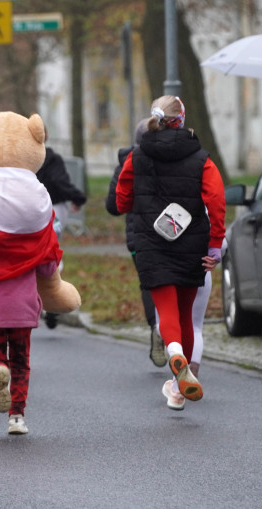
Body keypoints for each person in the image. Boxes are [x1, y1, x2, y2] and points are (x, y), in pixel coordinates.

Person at [114, 95, 226, 411]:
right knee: (187, 314)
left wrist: (136, 204)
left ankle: (173, 352)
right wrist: (215, 244)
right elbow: (216, 201)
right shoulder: (201, 158)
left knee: (166, 311)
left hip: (152, 241)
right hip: (192, 243)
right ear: (182, 119)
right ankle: (178, 389)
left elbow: (122, 199)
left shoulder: (136, 156)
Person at [106, 119, 167, 366]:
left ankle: (156, 326)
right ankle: (168, 329)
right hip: (169, 231)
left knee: (148, 284)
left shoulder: (126, 162)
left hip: (138, 235)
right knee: (169, 281)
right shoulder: (170, 160)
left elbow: (113, 206)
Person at [36, 139, 86, 329]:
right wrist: (76, 197)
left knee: (35, 252)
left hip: (30, 210)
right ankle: (51, 300)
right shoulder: (52, 159)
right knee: (52, 250)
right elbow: (59, 181)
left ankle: (39, 299)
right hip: (55, 208)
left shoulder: (21, 159)